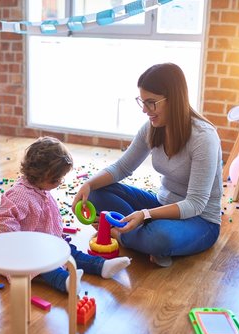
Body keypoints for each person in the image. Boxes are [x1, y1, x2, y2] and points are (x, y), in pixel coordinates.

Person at [72, 63, 222, 267]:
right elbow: (121, 168)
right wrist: (88, 185)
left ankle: (121, 233)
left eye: (151, 103)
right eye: (142, 102)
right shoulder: (152, 127)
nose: (144, 110)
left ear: (174, 99)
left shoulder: (204, 137)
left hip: (200, 220)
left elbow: (195, 204)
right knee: (97, 193)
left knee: (159, 238)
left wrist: (145, 215)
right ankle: (140, 238)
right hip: (160, 205)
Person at [0, 136, 131, 293]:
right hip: (27, 253)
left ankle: (102, 266)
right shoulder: (19, 195)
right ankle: (66, 281)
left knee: (70, 252)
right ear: (39, 175)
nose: (60, 182)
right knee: (47, 266)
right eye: (56, 179)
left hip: (47, 244)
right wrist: (17, 245)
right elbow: (4, 220)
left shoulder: (40, 188)